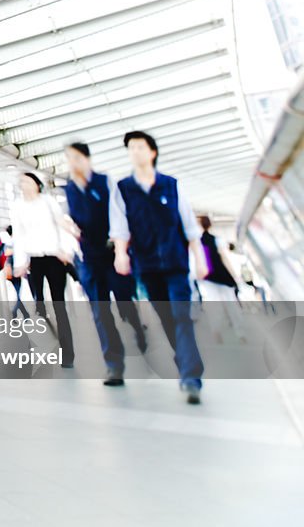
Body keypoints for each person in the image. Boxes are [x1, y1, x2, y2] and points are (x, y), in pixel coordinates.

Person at [110, 130, 208, 404]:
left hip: (176, 263)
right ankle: (186, 360)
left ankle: (190, 376)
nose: (135, 152)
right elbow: (119, 226)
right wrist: (121, 254)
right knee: (166, 317)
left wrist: (200, 260)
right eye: (131, 148)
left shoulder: (171, 185)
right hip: (148, 265)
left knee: (181, 316)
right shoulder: (123, 189)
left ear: (152, 152)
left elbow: (189, 226)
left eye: (140, 147)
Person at [63, 141, 148, 387]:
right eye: (69, 159)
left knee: (123, 301)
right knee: (100, 312)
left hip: (111, 253)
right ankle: (114, 365)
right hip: (89, 257)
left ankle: (138, 329)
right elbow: (76, 220)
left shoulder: (106, 182)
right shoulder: (69, 188)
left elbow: (119, 215)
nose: (73, 163)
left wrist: (122, 248)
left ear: (87, 159)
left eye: (77, 158)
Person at [11, 172, 78, 368]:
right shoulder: (18, 206)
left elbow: (61, 225)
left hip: (54, 257)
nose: (23, 184)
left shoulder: (48, 202)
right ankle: (49, 342)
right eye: (21, 181)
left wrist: (65, 251)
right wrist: (20, 263)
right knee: (38, 305)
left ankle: (68, 354)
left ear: (37, 184)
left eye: (27, 181)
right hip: (34, 261)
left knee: (59, 304)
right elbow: (19, 236)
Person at [197, 215, 245, 341]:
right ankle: (239, 333)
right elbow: (225, 259)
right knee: (231, 304)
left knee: (214, 305)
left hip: (208, 277)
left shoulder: (197, 242)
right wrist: (234, 275)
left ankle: (216, 331)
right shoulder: (216, 240)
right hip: (223, 276)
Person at [3, 225, 30, 319]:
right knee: (18, 294)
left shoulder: (8, 244)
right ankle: (15, 314)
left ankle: (23, 315)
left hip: (10, 272)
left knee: (17, 293)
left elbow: (6, 257)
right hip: (15, 271)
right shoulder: (15, 243)